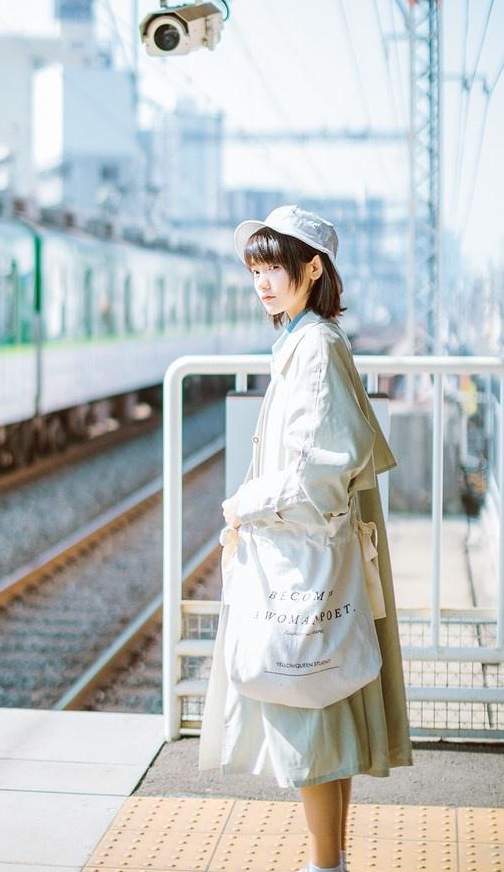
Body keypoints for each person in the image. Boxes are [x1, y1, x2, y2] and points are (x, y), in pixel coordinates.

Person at [198, 203, 413, 872]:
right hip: (314, 557)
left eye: (275, 267)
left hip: (303, 563)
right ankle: (332, 860)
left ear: (312, 268)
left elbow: (316, 469)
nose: (262, 281)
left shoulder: (313, 346)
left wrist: (241, 505)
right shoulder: (307, 340)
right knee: (326, 711)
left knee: (310, 717)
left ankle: (323, 865)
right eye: (255, 268)